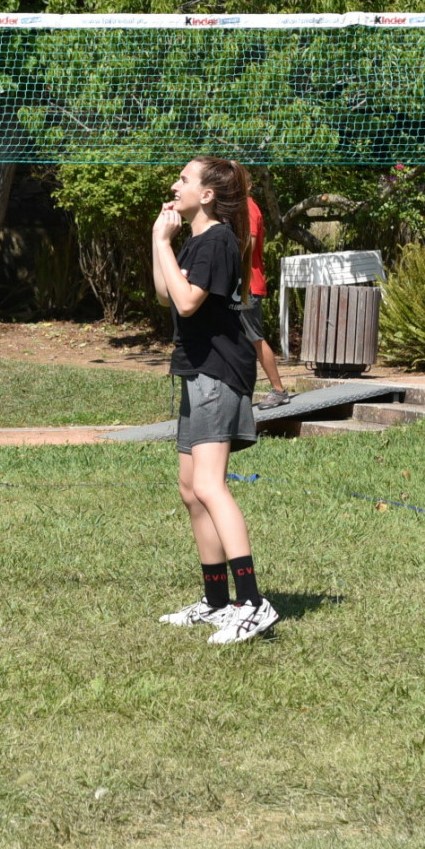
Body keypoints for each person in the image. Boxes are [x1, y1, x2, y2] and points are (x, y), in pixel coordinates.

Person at [151, 157, 278, 644]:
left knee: (209, 484)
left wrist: (165, 243)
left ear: (206, 195)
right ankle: (216, 601)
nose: (174, 184)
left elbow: (187, 302)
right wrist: (158, 241)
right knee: (191, 488)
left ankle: (252, 602)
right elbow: (167, 293)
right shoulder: (197, 240)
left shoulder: (219, 239)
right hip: (196, 370)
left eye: (183, 179)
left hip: (218, 373)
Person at [244, 187, 291, 407]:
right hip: (238, 286)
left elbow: (248, 247)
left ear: (247, 186)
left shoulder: (248, 209)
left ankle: (279, 390)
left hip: (247, 285)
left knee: (255, 338)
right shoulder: (236, 209)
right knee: (239, 341)